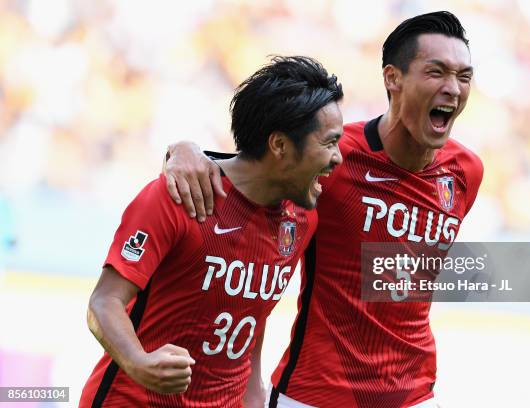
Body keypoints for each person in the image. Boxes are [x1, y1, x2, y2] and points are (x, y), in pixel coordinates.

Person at [165, 11, 483, 408]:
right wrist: (184, 149)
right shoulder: (332, 157)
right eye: (436, 72)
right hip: (314, 395)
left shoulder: (466, 172)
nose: (452, 88)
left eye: (464, 76)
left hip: (414, 397)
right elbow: (251, 192)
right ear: (393, 78)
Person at [79, 56, 344, 408]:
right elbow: (103, 302)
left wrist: (253, 397)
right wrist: (137, 362)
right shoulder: (177, 197)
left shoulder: (302, 219)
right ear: (279, 145)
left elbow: (252, 316)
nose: (338, 157)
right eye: (328, 143)